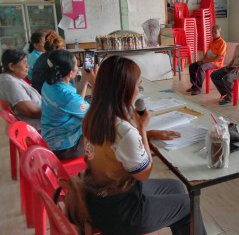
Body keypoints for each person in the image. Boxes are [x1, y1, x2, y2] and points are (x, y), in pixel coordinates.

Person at [82, 56, 207, 235]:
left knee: (176, 187)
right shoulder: (124, 131)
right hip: (122, 213)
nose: (138, 91)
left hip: (97, 199)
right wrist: (141, 127)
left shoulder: (92, 117)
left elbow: (113, 147)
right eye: (137, 86)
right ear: (124, 91)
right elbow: (144, 173)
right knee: (189, 205)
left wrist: (146, 134)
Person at [41, 49, 97, 160]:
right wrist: (95, 82)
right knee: (101, 125)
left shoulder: (49, 83)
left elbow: (75, 103)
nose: (79, 67)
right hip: (65, 148)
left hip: (50, 138)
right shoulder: (67, 96)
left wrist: (85, 79)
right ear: (70, 73)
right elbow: (96, 114)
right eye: (77, 65)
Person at [0, 49, 41, 130]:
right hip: (34, 129)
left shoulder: (15, 78)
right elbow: (30, 112)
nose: (27, 66)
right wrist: (54, 112)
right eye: (24, 63)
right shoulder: (9, 83)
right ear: (11, 66)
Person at [186, 24, 227, 95]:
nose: (213, 34)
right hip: (207, 61)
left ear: (219, 32)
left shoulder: (222, 43)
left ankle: (198, 88)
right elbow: (207, 54)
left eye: (215, 32)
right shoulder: (211, 42)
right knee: (192, 66)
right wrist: (202, 60)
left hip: (215, 63)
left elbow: (218, 57)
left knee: (201, 68)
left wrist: (205, 61)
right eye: (212, 32)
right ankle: (194, 85)